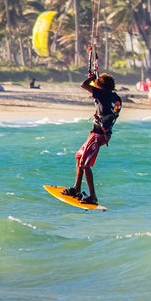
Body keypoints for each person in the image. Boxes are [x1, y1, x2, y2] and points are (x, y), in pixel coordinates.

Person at [62, 71, 121, 206]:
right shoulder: (116, 98)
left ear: (101, 87)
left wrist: (91, 79)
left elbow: (84, 85)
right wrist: (97, 82)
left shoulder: (102, 94)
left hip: (98, 134)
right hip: (102, 134)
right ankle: (76, 188)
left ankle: (93, 197)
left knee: (85, 164)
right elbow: (107, 109)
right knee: (79, 156)